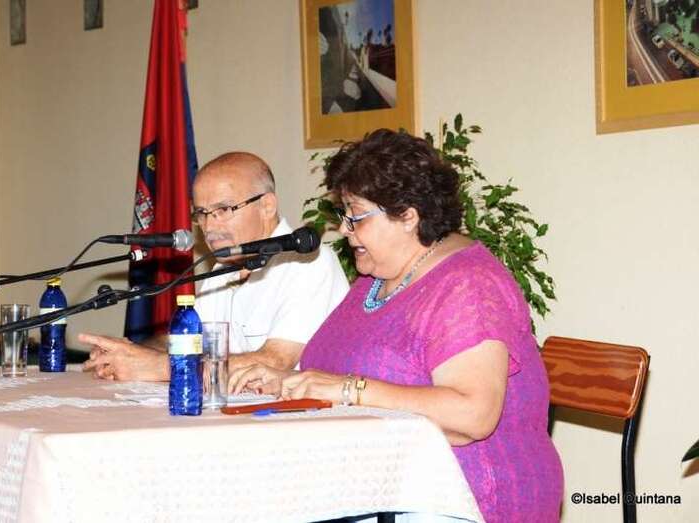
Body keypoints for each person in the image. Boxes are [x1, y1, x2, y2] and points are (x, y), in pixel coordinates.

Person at [228, 130, 563, 522]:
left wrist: (347, 389)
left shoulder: (468, 286)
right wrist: (291, 382)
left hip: (466, 498)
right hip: (379, 488)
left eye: (356, 215)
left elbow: (472, 415)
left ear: (407, 216)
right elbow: (339, 370)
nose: (344, 229)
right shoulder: (377, 278)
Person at [81, 152, 348, 381]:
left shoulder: (310, 263)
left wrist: (156, 367)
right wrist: (131, 353)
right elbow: (187, 341)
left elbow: (275, 361)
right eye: (202, 213)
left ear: (267, 206)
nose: (209, 226)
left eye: (224, 210)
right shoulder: (224, 267)